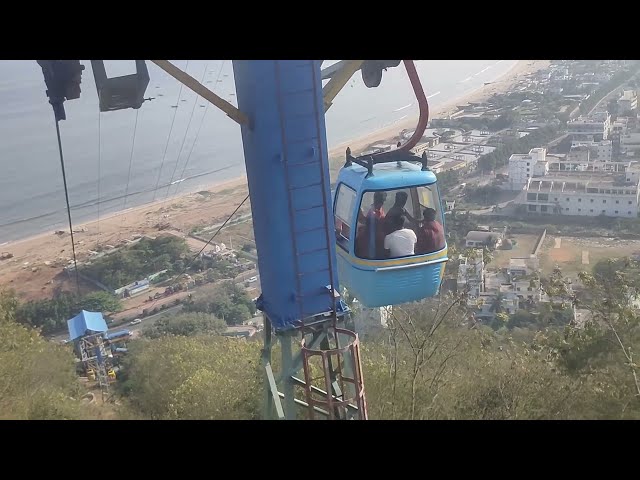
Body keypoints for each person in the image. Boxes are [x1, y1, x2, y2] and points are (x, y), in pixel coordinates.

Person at [356, 191, 387, 258]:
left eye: (383, 201)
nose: (382, 203)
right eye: (381, 201)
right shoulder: (371, 214)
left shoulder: (380, 209)